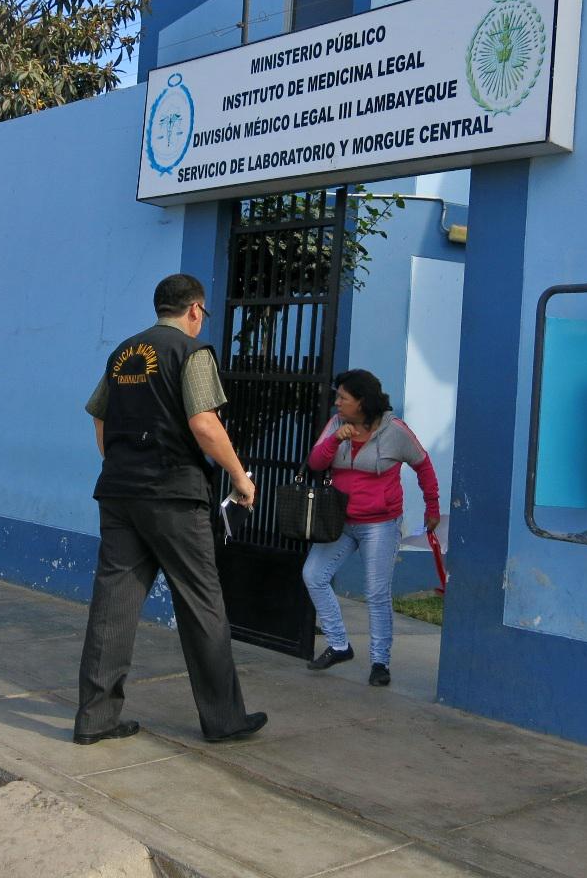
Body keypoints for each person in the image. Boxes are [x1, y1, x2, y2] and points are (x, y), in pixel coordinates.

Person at [74, 274, 267, 745]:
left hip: (119, 492)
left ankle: (95, 720)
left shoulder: (124, 353)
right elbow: (204, 422)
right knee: (202, 603)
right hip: (173, 494)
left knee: (113, 604)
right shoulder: (190, 352)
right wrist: (241, 478)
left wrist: (121, 464)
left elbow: (100, 415)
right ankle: (224, 719)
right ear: (195, 310)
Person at [301, 369, 440, 687]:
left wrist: (432, 507)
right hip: (340, 520)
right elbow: (316, 463)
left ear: (362, 402)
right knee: (313, 575)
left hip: (380, 523)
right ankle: (339, 645)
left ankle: (380, 663)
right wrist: (334, 440)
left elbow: (424, 465)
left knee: (376, 594)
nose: (336, 403)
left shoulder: (396, 432)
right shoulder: (336, 425)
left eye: (343, 398)